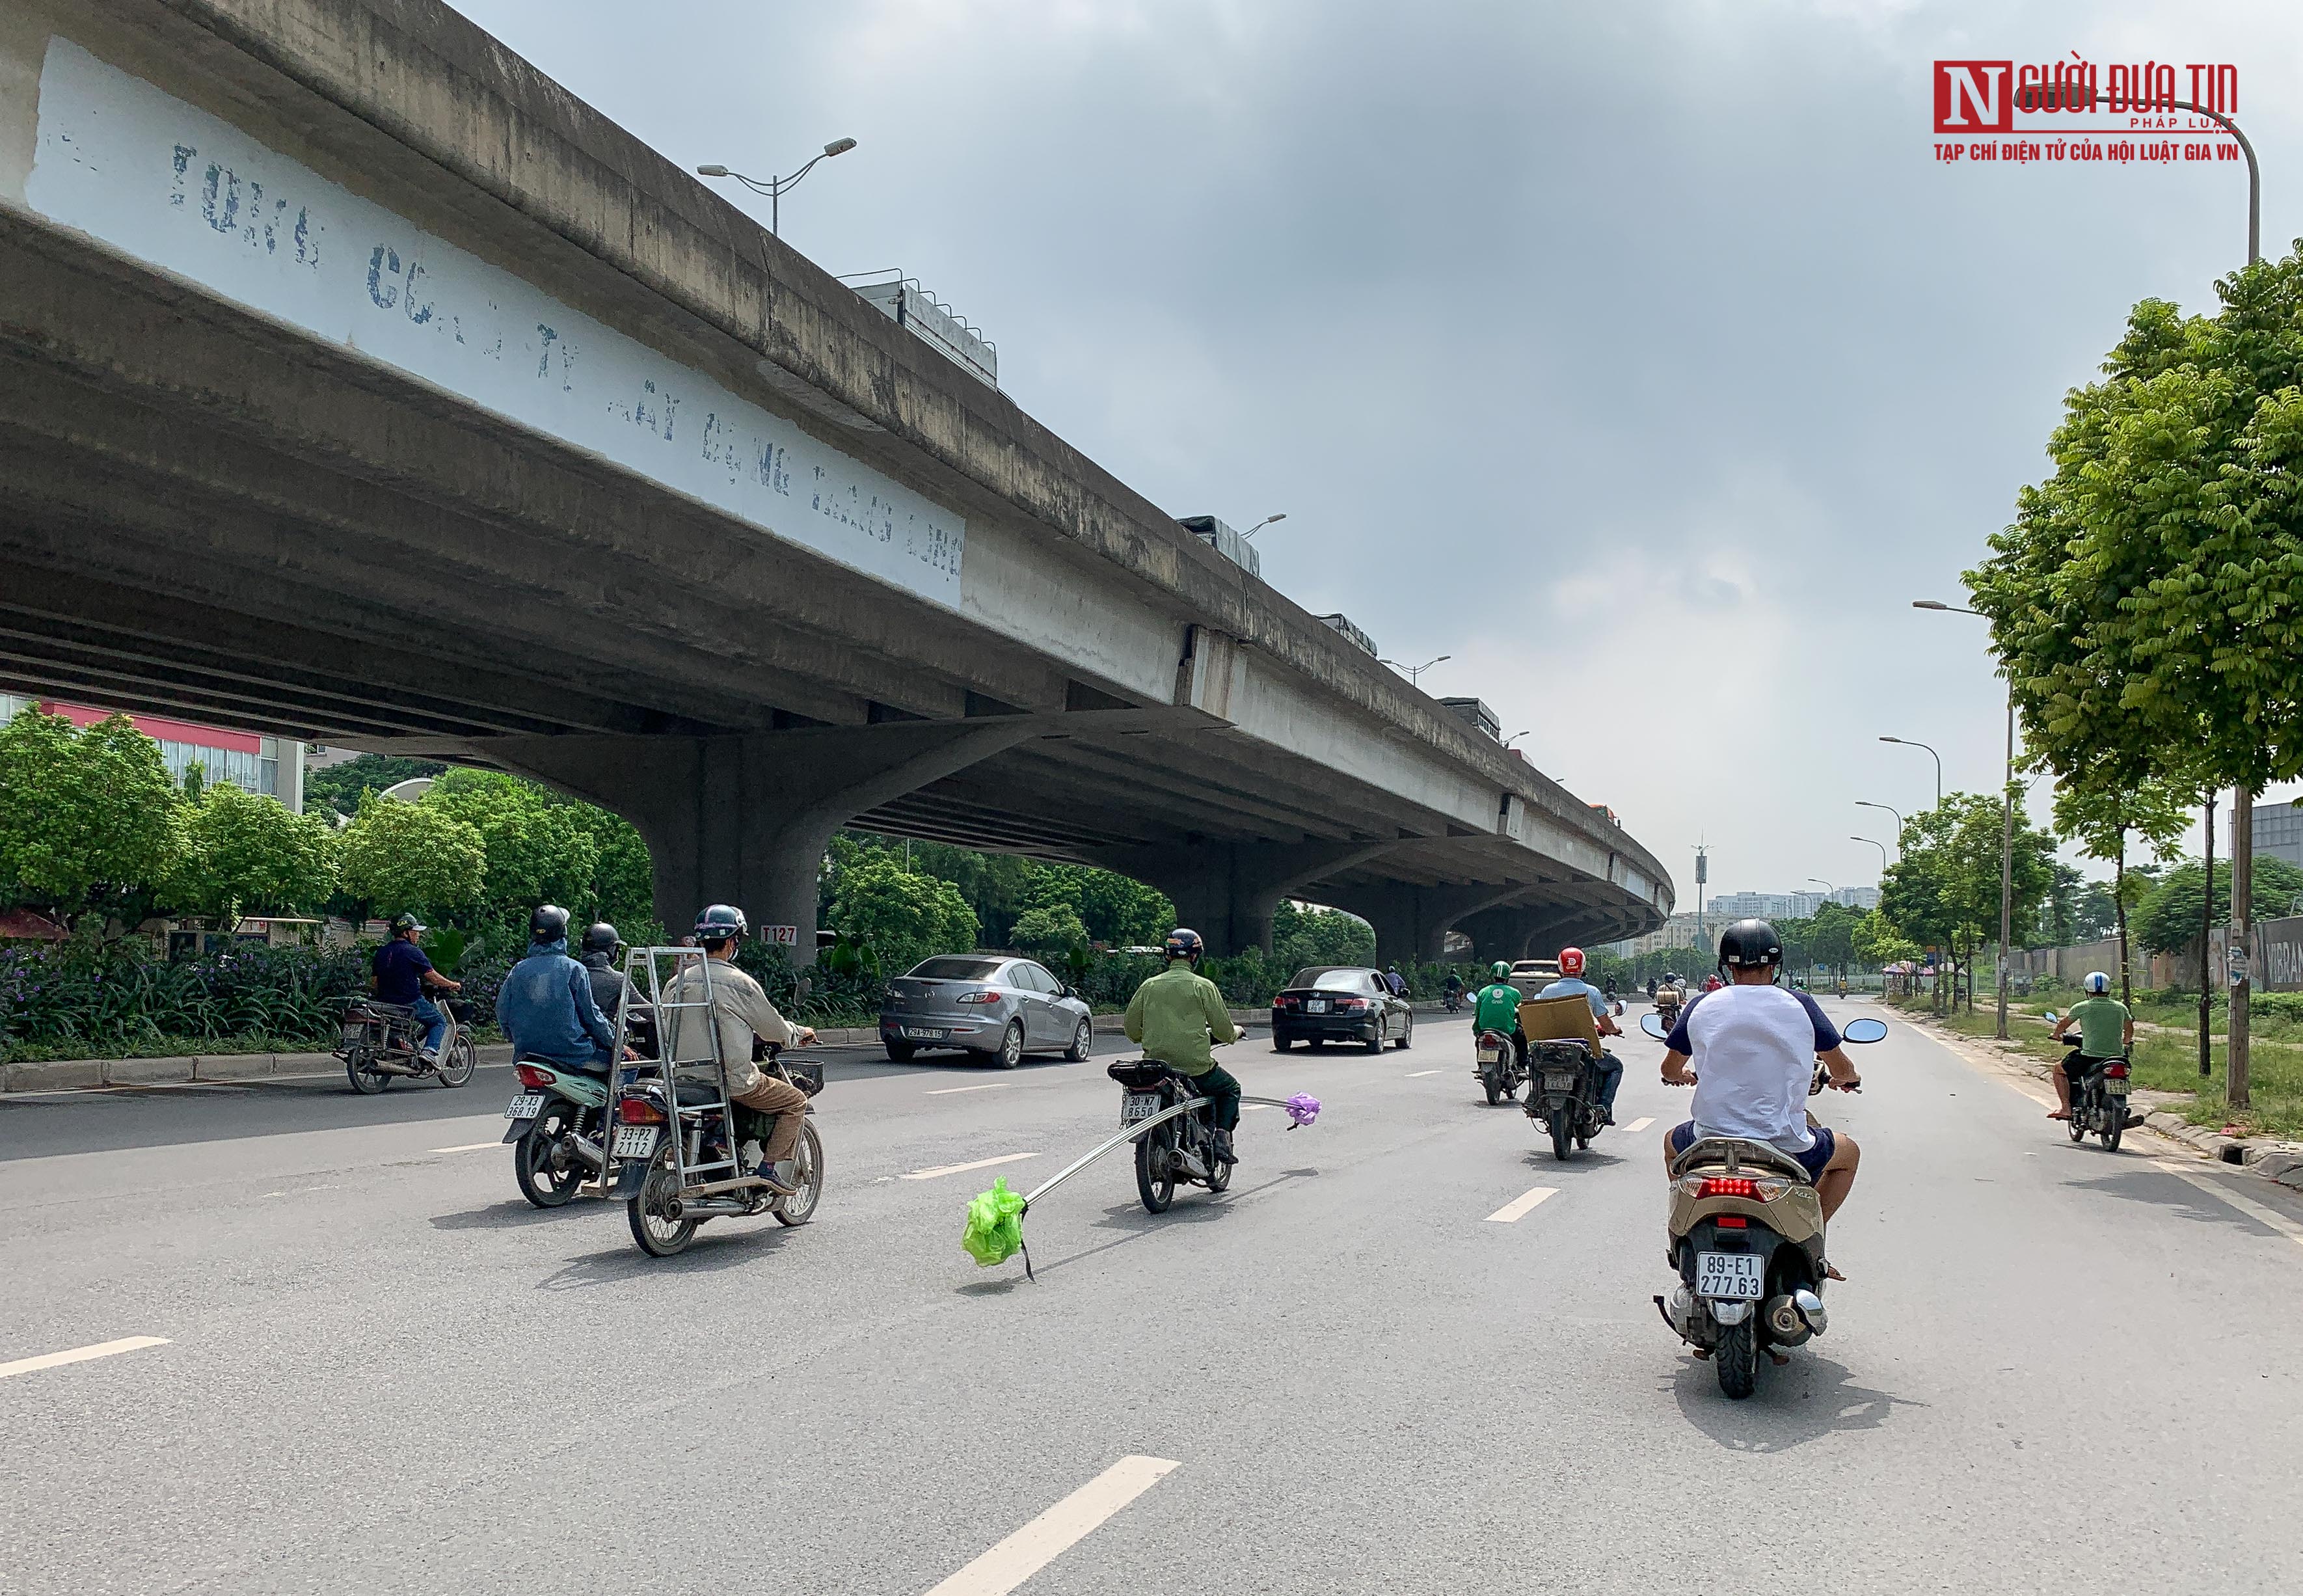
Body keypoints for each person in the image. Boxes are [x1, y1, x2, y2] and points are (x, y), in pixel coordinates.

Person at [1658, 919, 1864, 1245]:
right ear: (1776, 965)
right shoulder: (1801, 1004)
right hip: (1785, 1145)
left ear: (1726, 967)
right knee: (1849, 1153)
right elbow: (1841, 1066)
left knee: (1671, 1143)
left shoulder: (1700, 1005)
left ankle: (1682, 1234)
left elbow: (1669, 1070)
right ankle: (1811, 1237)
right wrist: (1847, 1079)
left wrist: (1683, 1077)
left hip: (1708, 1143)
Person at [663, 904, 819, 1191]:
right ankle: (769, 1169)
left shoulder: (676, 983)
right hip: (731, 1081)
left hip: (681, 1080)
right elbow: (773, 1029)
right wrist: (799, 1033)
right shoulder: (740, 984)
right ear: (733, 942)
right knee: (796, 1101)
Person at [1124, 928, 1244, 1165]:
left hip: (1156, 1069)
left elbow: (1131, 1031)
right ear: (1194, 957)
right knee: (1231, 1089)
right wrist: (1236, 1032)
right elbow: (1223, 1031)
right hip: (1196, 1070)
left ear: (1168, 956)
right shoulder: (1203, 986)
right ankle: (1221, 1138)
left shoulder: (1149, 986)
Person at [498, 905, 621, 1071]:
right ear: (564, 933)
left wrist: (519, 1038)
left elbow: (502, 1013)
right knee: (626, 1065)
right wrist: (615, 1042)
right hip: (573, 1054)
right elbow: (592, 1018)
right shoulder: (574, 969)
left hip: (527, 1054)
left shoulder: (518, 970)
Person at [1535, 946, 1626, 1122]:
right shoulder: (1591, 992)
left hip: (1552, 1048)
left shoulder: (1548, 991)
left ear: (1560, 968)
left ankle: (1535, 1097)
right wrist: (1614, 1030)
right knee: (1616, 1067)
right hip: (1583, 1050)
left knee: (1538, 1066)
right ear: (1582, 968)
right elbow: (1606, 1024)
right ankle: (1604, 1107)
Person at [370, 913, 459, 1062]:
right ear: (405, 933)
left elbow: (374, 982)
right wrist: (452, 984)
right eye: (415, 931)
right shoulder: (413, 952)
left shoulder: (382, 952)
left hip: (385, 1003)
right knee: (439, 1021)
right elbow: (432, 976)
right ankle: (429, 1052)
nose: (418, 935)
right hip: (409, 1002)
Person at [2051, 971, 2134, 1122]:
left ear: (2087, 990)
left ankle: (2066, 1108)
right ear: (2109, 990)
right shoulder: (2121, 1008)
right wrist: (2127, 1042)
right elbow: (2129, 1028)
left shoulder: (2082, 1007)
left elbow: (2063, 1024)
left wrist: (2056, 1035)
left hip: (2089, 1057)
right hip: (2117, 1057)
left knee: (2058, 1069)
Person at [1472, 960, 1525, 1070]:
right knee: (1522, 1037)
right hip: (1507, 1030)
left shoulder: (1483, 992)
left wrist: (1477, 1029)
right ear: (1508, 977)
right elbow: (1522, 1010)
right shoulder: (1514, 992)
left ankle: (1480, 1066)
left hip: (1485, 1028)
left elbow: (1478, 1013)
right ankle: (1521, 1065)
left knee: (1478, 1042)